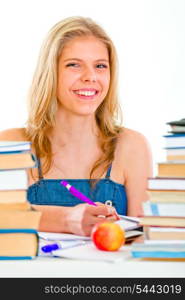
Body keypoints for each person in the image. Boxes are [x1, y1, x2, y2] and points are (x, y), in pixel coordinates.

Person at [0, 16, 153, 236]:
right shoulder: (11, 145)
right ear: (51, 72)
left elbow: (144, 239)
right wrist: (66, 219)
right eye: (74, 65)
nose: (90, 77)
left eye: (100, 66)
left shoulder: (132, 146)